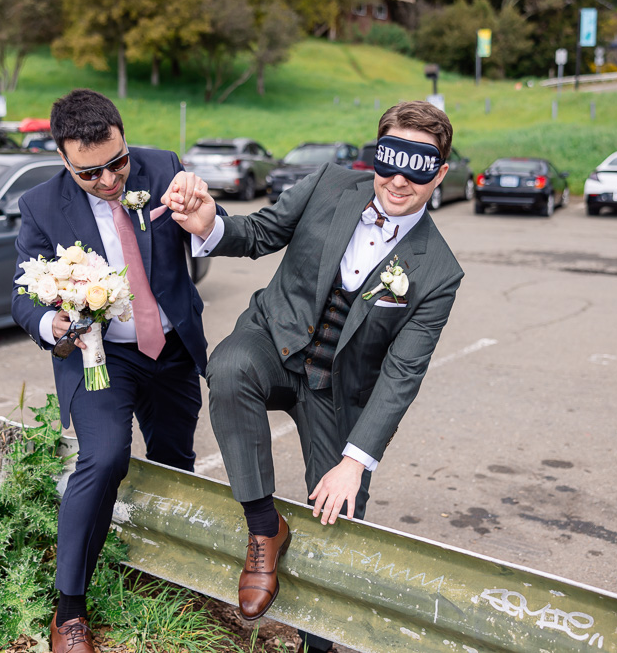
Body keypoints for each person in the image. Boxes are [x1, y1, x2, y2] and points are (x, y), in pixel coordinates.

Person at [162, 100, 464, 652]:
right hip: (273, 341)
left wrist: (355, 463)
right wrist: (209, 225)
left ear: (439, 173)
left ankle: (316, 645)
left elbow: (402, 374)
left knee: (337, 517)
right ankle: (263, 528)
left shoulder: (439, 271)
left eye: (417, 168)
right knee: (228, 368)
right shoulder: (327, 183)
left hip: (338, 389)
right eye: (389, 160)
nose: (398, 180)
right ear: (375, 155)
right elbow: (259, 233)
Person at [11, 89, 220, 653]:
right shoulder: (40, 206)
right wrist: (53, 324)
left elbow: (208, 230)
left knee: (177, 459)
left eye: (118, 163)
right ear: (62, 158)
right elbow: (22, 295)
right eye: (90, 173)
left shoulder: (165, 167)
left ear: (125, 139)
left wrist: (204, 209)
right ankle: (69, 608)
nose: (109, 180)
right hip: (99, 355)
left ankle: (171, 574)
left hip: (171, 348)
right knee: (104, 456)